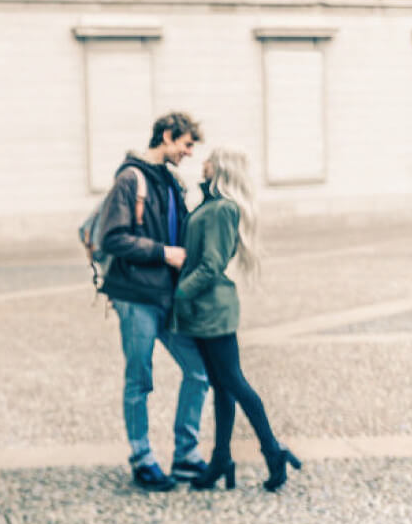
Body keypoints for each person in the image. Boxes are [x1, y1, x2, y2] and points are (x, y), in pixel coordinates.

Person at [170, 147, 302, 492]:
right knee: (223, 386)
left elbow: (211, 264)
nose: (204, 163)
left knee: (233, 382)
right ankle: (221, 458)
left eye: (210, 160)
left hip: (212, 310)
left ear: (222, 169)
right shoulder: (211, 205)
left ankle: (272, 450)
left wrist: (181, 293)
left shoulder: (222, 210)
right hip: (205, 310)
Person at [98, 112, 210, 491]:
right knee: (140, 378)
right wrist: (163, 253)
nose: (189, 153)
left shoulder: (172, 181)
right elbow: (111, 238)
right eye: (186, 144)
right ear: (167, 136)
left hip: (169, 296)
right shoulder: (131, 179)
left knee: (199, 371)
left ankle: (186, 454)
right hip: (136, 297)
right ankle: (143, 458)